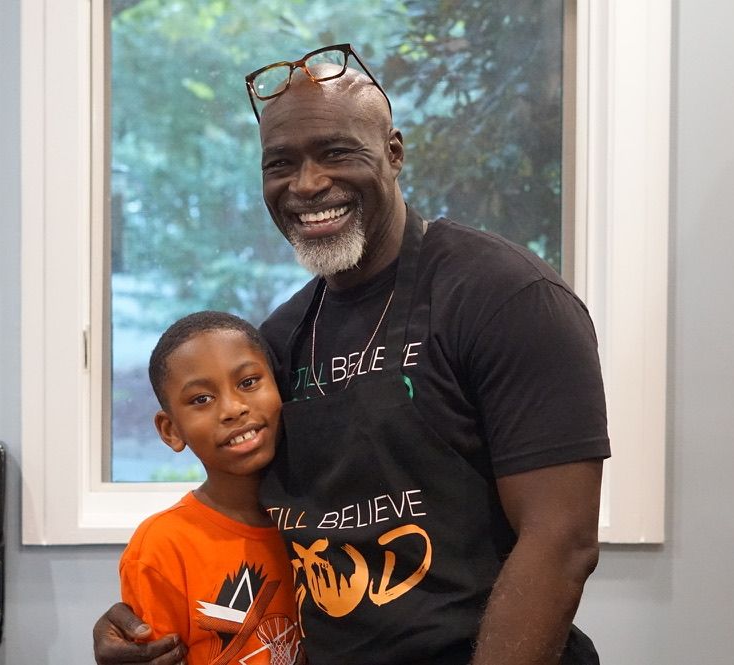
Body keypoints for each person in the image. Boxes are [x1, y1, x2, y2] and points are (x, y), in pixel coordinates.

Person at [95, 44, 609, 665]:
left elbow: (562, 541)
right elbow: (242, 518)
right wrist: (144, 621)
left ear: (394, 153)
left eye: (336, 152)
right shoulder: (280, 340)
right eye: (280, 163)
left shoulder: (505, 298)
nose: (307, 184)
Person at [118, 310, 303, 665]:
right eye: (201, 399)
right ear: (171, 430)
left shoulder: (321, 520)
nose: (233, 409)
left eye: (248, 382)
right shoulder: (162, 547)